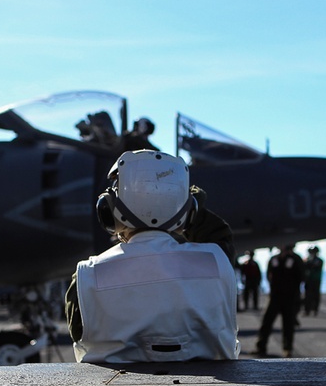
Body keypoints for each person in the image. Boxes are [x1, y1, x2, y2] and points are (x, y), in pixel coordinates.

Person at [65, 149, 240, 363]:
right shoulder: (217, 261)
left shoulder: (88, 276)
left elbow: (78, 330)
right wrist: (191, 206)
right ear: (189, 212)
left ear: (108, 210)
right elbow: (219, 235)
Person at [254, 244, 304, 358]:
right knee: (266, 322)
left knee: (288, 324)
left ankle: (287, 349)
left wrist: (294, 293)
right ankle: (261, 347)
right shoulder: (274, 259)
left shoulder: (296, 259)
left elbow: (301, 277)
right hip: (275, 296)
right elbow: (269, 275)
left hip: (290, 297)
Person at [303, 245, 324, 316]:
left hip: (316, 280)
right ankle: (307, 310)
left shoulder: (319, 260)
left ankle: (315, 309)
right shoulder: (306, 260)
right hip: (308, 280)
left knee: (315, 295)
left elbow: (314, 267)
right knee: (307, 295)